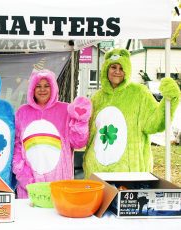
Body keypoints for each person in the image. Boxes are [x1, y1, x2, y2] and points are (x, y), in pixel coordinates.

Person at [83, 48, 180, 178]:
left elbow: (155, 123)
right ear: (106, 69)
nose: (117, 71)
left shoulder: (139, 93)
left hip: (129, 173)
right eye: (113, 67)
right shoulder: (97, 98)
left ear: (127, 71)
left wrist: (170, 100)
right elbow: (89, 134)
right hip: (97, 171)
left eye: (121, 68)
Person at [12, 69, 92, 198]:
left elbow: (78, 143)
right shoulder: (22, 112)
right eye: (38, 86)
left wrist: (81, 121)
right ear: (32, 88)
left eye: (46, 86)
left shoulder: (65, 110)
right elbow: (17, 147)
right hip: (30, 186)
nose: (42, 89)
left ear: (53, 87)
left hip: (60, 183)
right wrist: (23, 175)